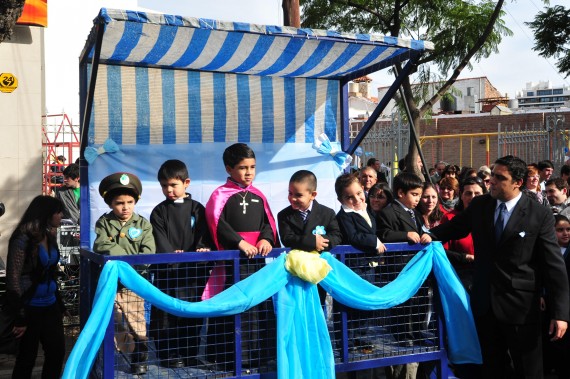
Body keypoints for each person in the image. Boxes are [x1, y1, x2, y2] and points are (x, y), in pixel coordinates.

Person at [431, 155, 569, 378]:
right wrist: (423, 236)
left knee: (528, 370)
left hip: (521, 309)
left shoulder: (538, 213)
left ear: (518, 182)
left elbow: (554, 265)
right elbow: (451, 229)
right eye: (492, 175)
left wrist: (560, 313)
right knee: (490, 369)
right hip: (485, 306)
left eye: (499, 177)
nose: (491, 181)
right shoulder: (480, 205)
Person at [204, 143, 278, 372]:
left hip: (256, 264)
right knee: (233, 307)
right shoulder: (220, 195)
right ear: (229, 169)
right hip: (233, 264)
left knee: (259, 307)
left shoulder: (258, 196)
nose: (249, 173)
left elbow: (268, 222)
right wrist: (240, 242)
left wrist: (266, 239)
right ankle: (228, 357)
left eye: (252, 167)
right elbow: (217, 224)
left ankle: (261, 355)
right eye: (243, 167)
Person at [149, 160, 214, 369]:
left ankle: (190, 353)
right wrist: (170, 254)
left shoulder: (198, 209)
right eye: (164, 186)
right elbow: (159, 239)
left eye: (173, 185)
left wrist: (203, 247)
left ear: (186, 183)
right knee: (166, 315)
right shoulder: (159, 211)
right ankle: (169, 355)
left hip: (193, 274)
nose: (169, 190)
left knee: (192, 314)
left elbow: (204, 235)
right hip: (168, 273)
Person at [93, 172, 155, 375]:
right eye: (119, 203)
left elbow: (148, 251)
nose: (125, 207)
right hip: (112, 283)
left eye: (130, 202)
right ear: (111, 203)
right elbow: (101, 244)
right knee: (115, 321)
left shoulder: (142, 224)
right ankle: (120, 353)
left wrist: (124, 264)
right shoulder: (104, 223)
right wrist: (127, 256)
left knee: (136, 321)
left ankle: (140, 358)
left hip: (133, 283)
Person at [377, 172, 432, 379]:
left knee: (420, 301)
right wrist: (405, 235)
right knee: (404, 303)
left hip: (418, 268)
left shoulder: (415, 213)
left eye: (419, 194)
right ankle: (404, 335)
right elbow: (383, 234)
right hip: (400, 268)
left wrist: (427, 235)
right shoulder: (388, 212)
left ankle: (418, 331)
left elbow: (423, 229)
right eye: (415, 194)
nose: (419, 199)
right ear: (401, 193)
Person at [5, 196, 66, 379]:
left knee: (56, 353)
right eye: (58, 212)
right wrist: (20, 316)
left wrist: (60, 305)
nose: (61, 216)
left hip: (51, 306)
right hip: (29, 308)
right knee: (26, 359)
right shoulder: (22, 238)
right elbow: (13, 278)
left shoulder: (49, 235)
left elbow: (51, 273)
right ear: (46, 214)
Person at [334, 173, 386, 358]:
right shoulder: (344, 216)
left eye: (359, 193)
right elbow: (354, 237)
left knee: (366, 303)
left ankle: (362, 339)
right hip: (353, 268)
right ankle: (346, 342)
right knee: (349, 305)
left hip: (368, 267)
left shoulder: (368, 210)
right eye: (350, 197)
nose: (356, 199)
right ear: (341, 199)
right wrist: (374, 242)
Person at [440, 177, 486, 293]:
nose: (473, 197)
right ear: (461, 195)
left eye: (477, 193)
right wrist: (464, 257)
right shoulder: (450, 218)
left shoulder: (491, 217)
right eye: (468, 193)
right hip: (459, 277)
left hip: (486, 276)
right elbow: (442, 251)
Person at [278, 169, 342, 253]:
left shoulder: (327, 213)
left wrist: (321, 242)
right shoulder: (284, 215)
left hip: (322, 261)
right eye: (290, 193)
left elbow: (336, 236)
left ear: (312, 195)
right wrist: (312, 241)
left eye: (298, 195)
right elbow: (287, 239)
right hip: (296, 262)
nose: (293, 198)